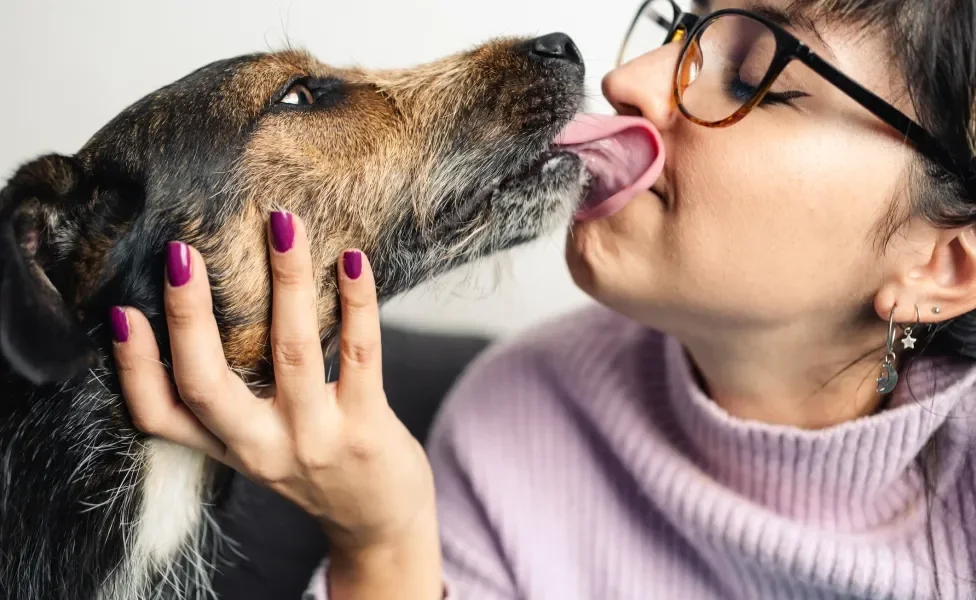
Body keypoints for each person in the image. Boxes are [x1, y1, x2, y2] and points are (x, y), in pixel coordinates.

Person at [111, 0, 976, 598]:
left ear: (946, 264)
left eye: (751, 75)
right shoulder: (516, 422)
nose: (630, 78)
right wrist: (384, 540)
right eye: (682, 28)